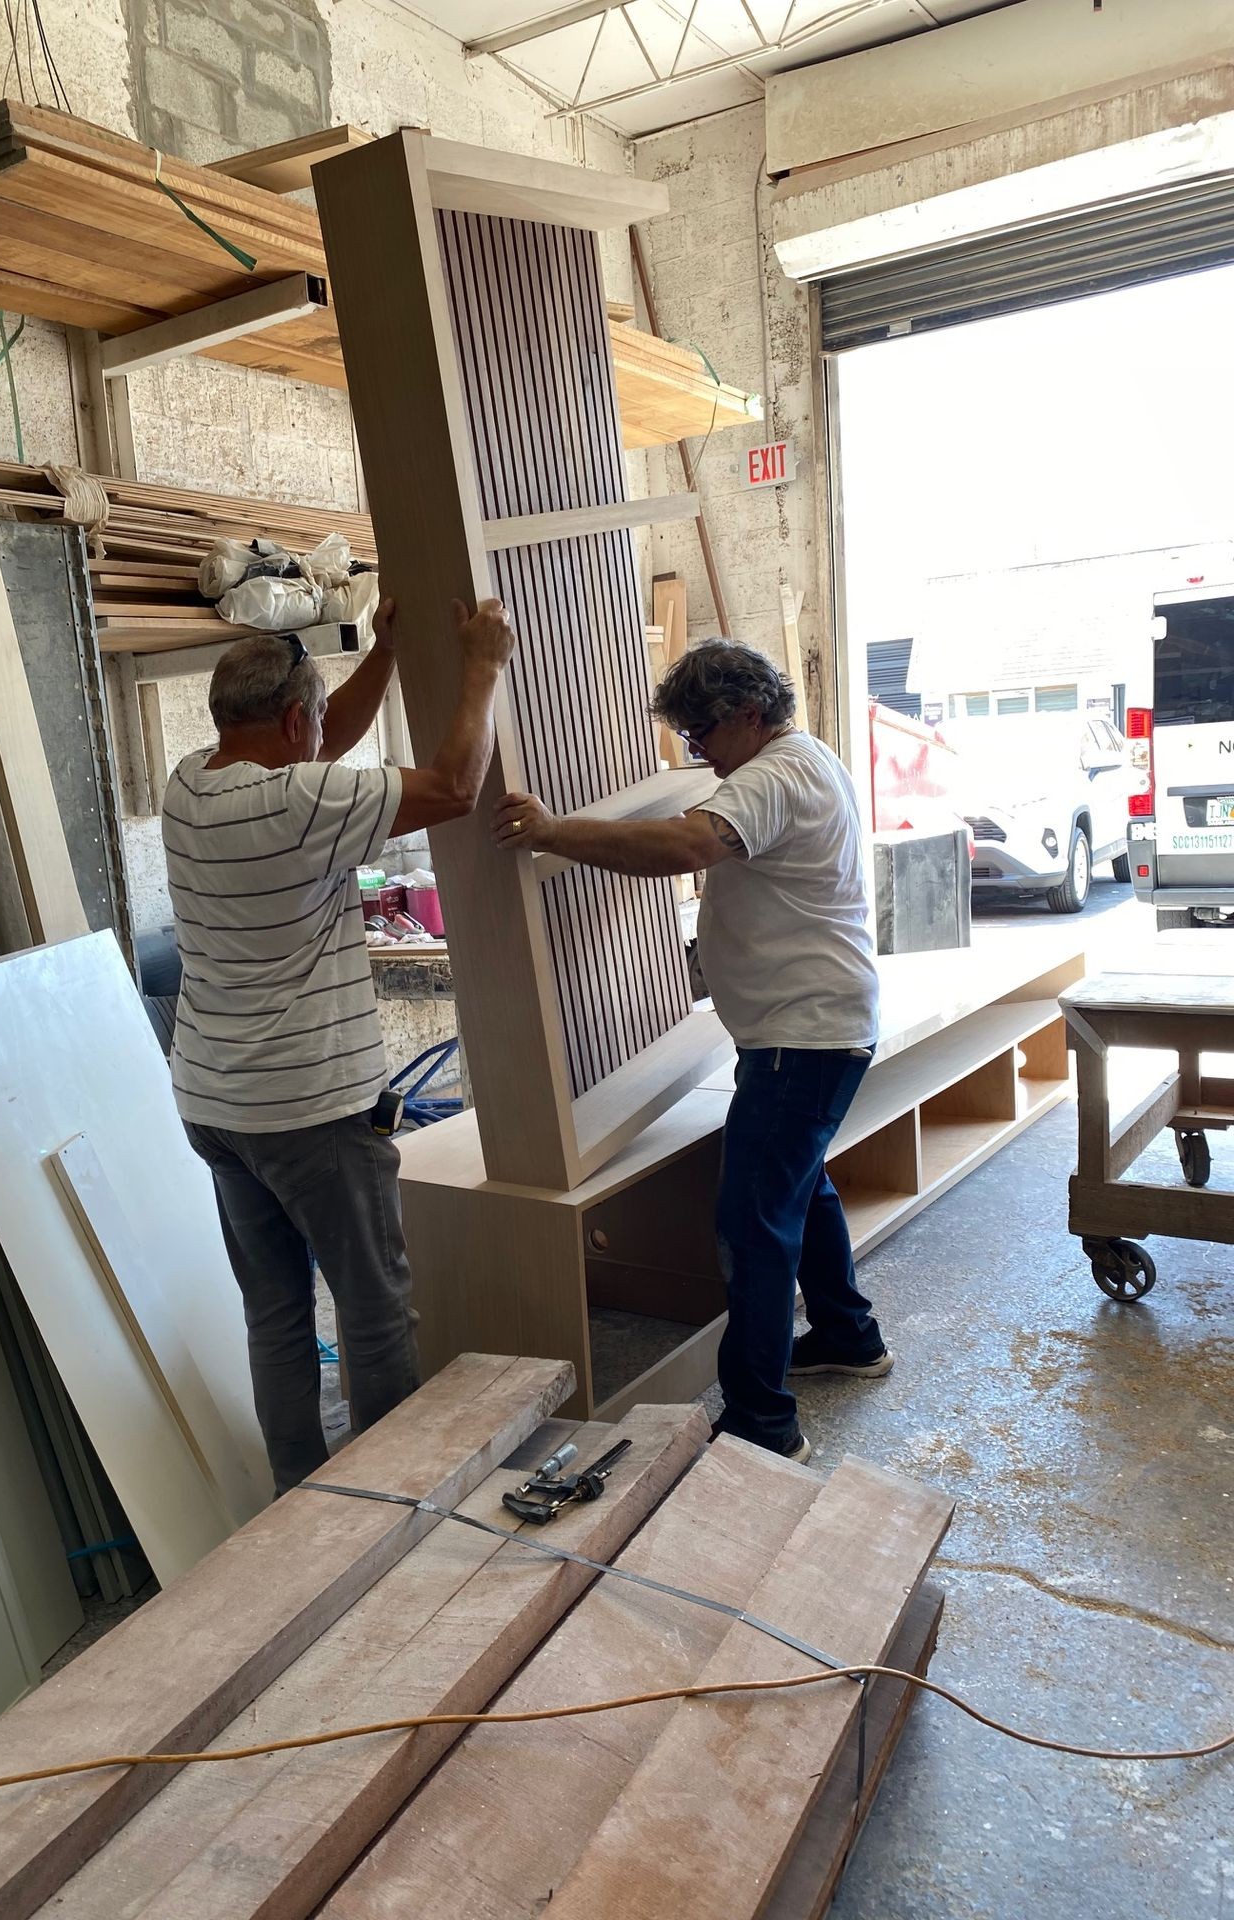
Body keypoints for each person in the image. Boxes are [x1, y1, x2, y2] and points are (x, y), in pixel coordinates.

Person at [492, 639, 890, 1462]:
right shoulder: (799, 759)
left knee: (753, 1224)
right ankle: (849, 1338)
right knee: (799, 1191)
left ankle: (761, 1424)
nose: (697, 752)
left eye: (704, 732)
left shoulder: (777, 776)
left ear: (751, 714)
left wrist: (555, 831)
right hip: (806, 1031)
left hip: (802, 1038)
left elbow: (683, 848)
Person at [165, 594, 516, 1494]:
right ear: (293, 722)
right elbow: (451, 786)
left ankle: (299, 1501)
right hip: (311, 1110)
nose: (323, 733)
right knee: (372, 1312)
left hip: (216, 1105)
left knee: (276, 1315)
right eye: (313, 719)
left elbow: (322, 742)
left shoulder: (191, 782)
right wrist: (481, 667)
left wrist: (386, 655)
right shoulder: (297, 802)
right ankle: (387, 1506)